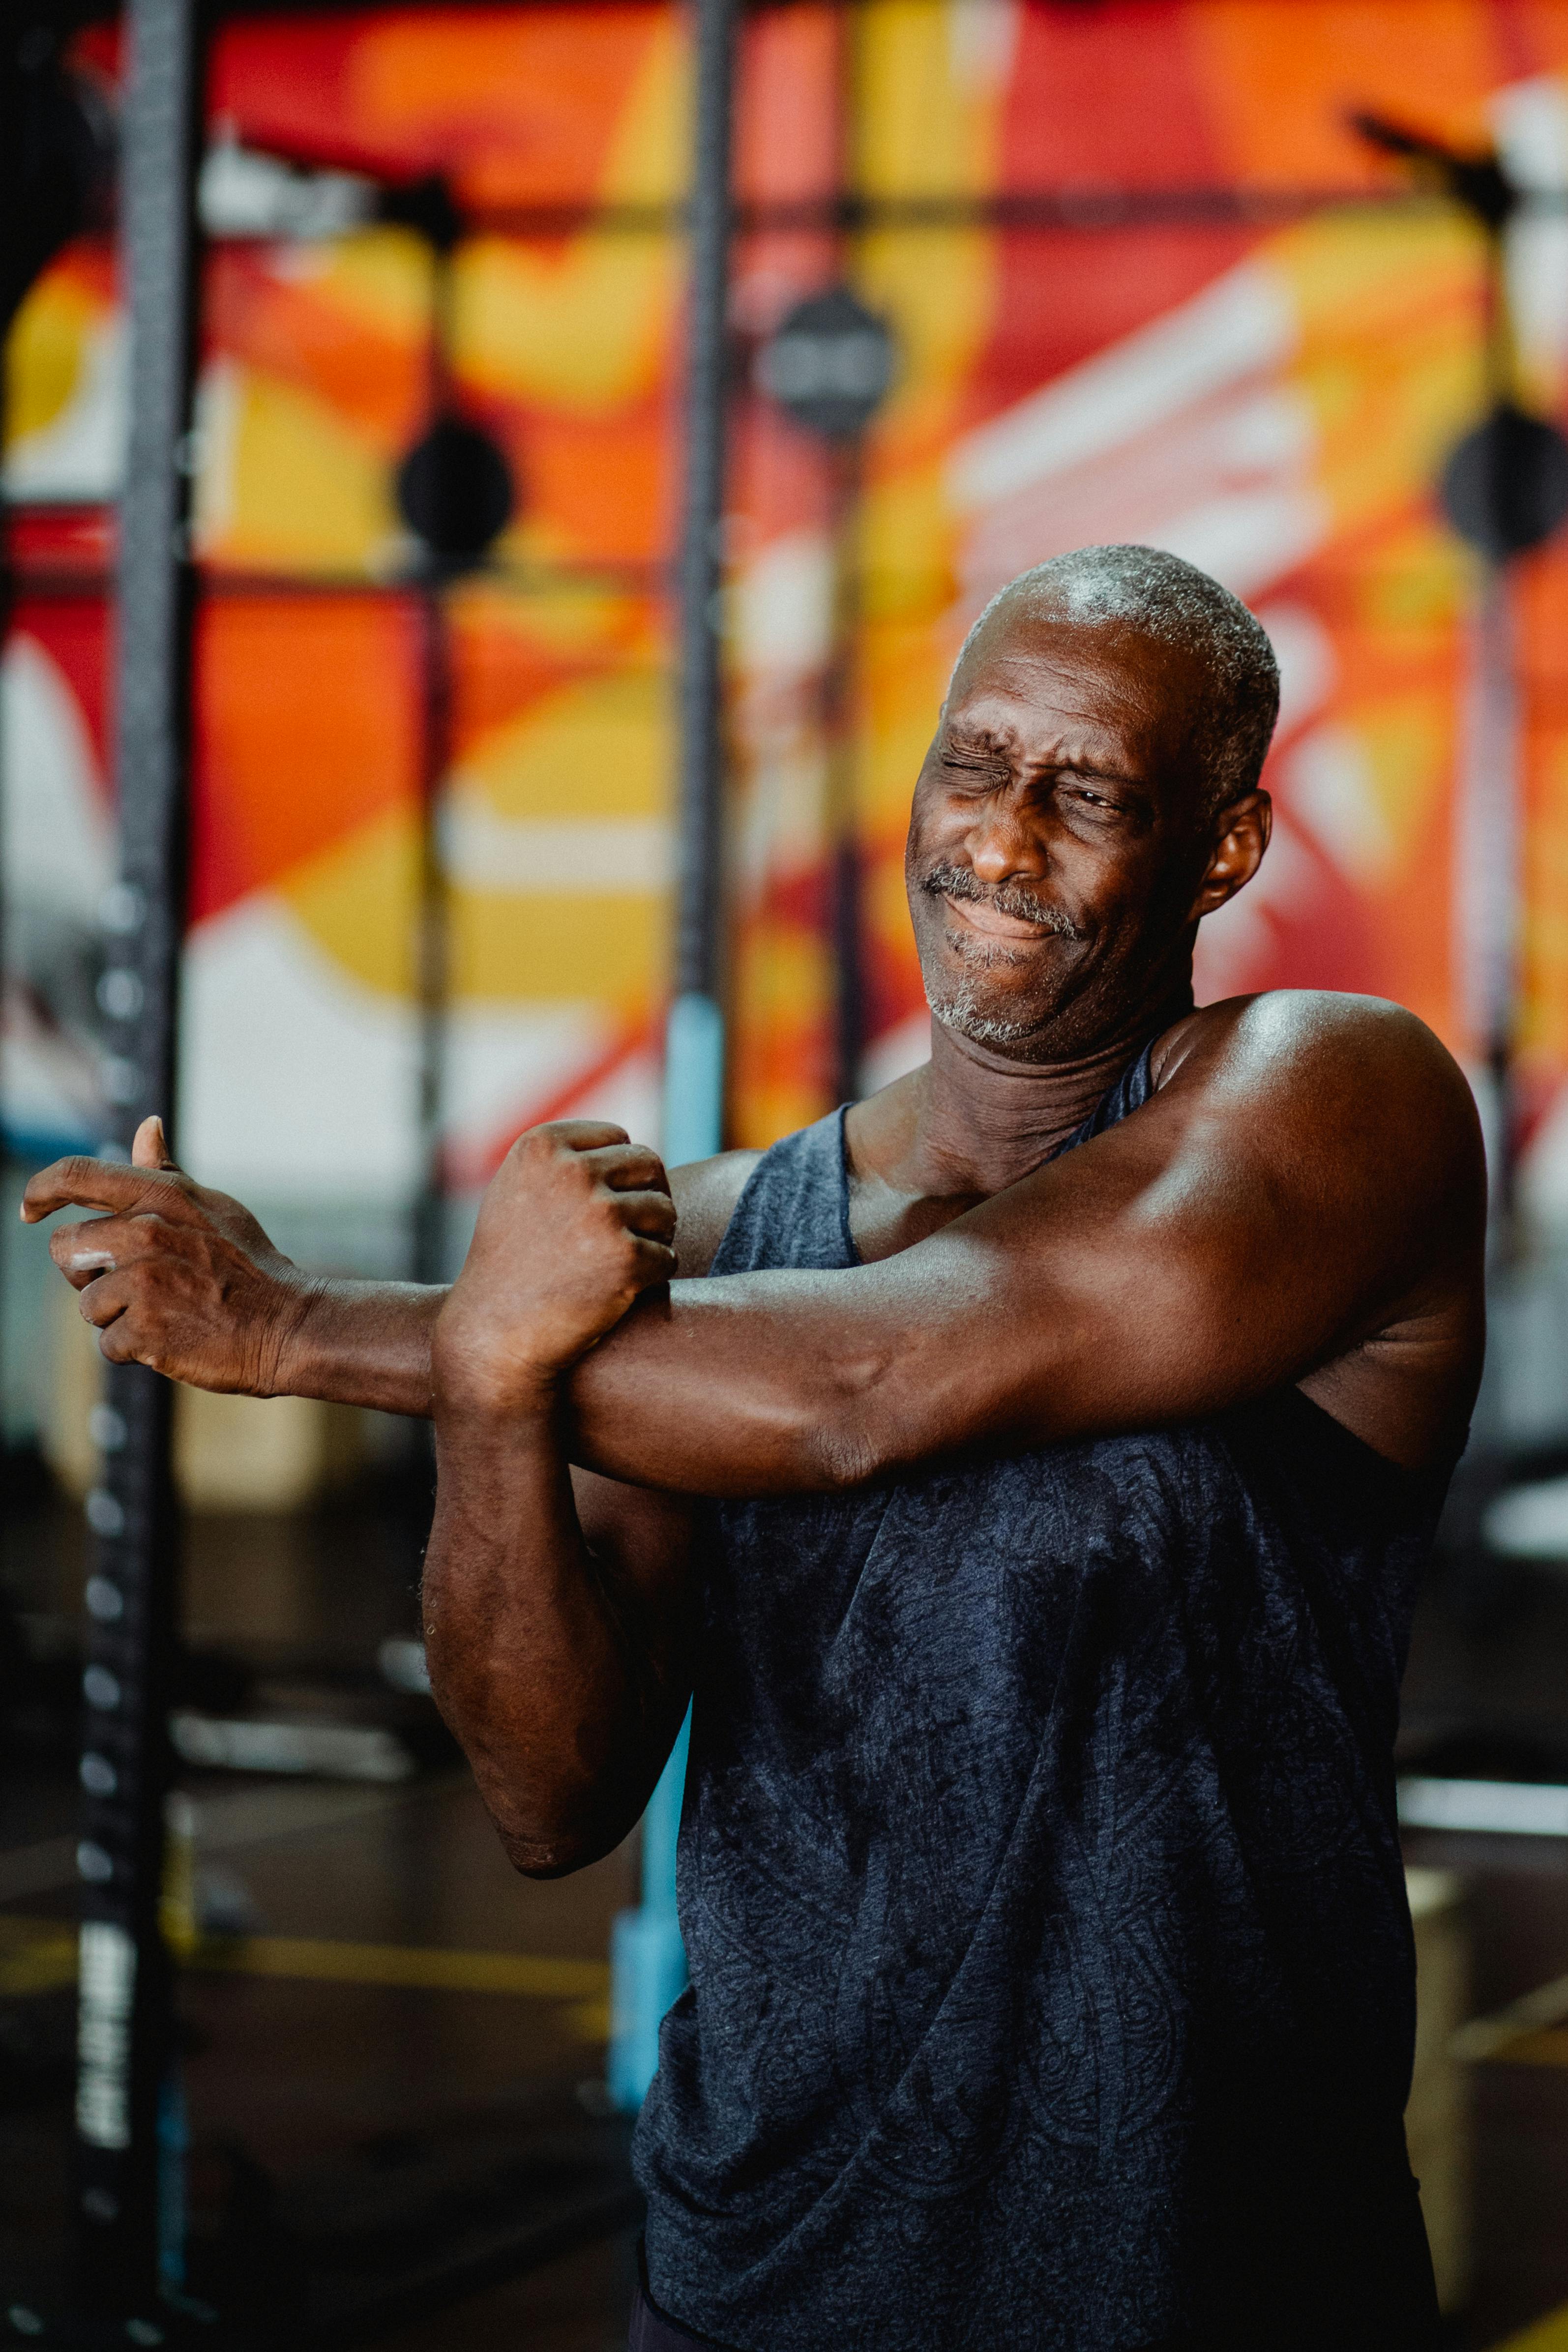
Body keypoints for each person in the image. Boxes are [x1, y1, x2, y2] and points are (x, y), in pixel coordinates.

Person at [28, 545, 1486, 2351]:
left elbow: (863, 1393)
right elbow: (551, 1800)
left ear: (1225, 847)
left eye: (1087, 791)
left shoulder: (1343, 1099)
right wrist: (494, 1387)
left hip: (1215, 2275)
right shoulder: (713, 1246)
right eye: (975, 764)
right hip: (775, 2269)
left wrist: (293, 1324)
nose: (1003, 840)